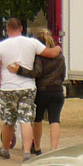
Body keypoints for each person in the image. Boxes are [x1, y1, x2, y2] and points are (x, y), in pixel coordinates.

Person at [0, 17, 62, 159]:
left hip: (8, 87)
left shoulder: (0, 46)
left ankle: (5, 149)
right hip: (27, 86)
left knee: (8, 120)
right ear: (21, 28)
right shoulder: (32, 43)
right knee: (26, 119)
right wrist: (58, 47)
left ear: (8, 30)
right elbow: (51, 54)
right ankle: (27, 152)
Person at [28, 27, 66, 155]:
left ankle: (37, 147)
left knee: (37, 119)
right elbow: (63, 74)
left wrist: (22, 71)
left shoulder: (39, 56)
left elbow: (38, 73)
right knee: (55, 120)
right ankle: (54, 149)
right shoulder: (60, 56)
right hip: (57, 91)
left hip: (42, 91)